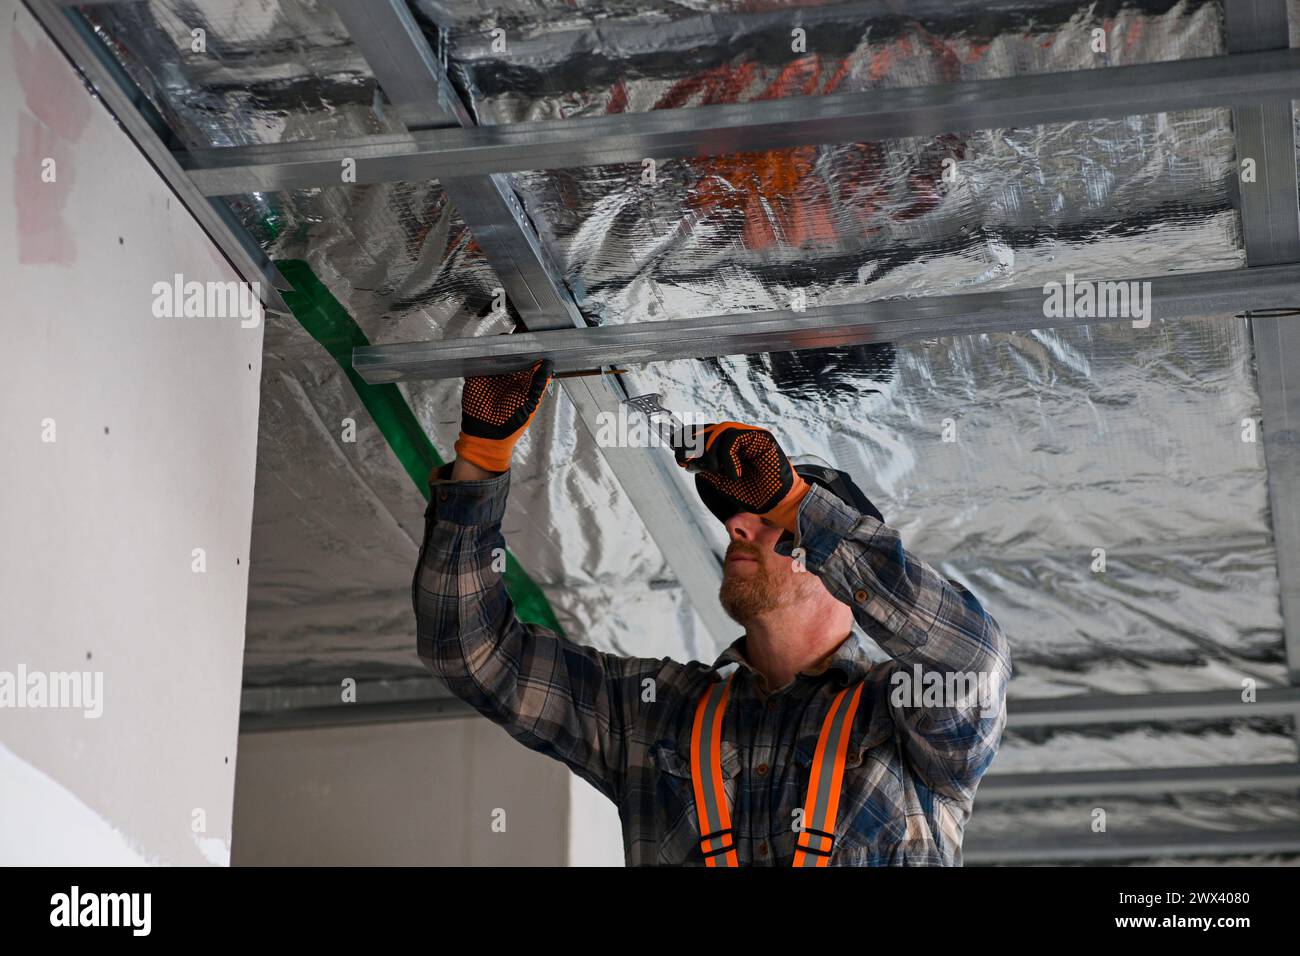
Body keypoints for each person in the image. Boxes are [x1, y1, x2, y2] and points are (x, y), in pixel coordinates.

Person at [413, 359, 1011, 866]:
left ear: (830, 560)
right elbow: (474, 653)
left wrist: (796, 500)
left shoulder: (905, 720)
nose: (735, 525)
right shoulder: (653, 715)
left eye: (767, 517)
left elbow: (972, 661)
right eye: (738, 514)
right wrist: (481, 457)